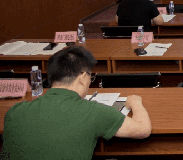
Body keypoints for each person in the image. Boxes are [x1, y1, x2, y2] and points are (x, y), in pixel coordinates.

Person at [0, 46, 151, 160]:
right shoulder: (94, 112)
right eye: (91, 77)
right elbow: (143, 129)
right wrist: (135, 101)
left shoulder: (14, 111)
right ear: (83, 77)